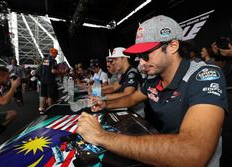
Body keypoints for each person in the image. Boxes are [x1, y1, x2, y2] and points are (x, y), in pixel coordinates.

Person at [77, 15, 227, 166]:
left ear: (173, 46)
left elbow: (192, 152)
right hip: (164, 153)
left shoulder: (205, 76)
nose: (141, 63)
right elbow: (132, 98)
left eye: (145, 54)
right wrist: (105, 104)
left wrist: (101, 136)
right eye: (138, 56)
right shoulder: (153, 78)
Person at [39, 48, 59, 114]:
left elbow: (43, 69)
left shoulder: (45, 60)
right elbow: (53, 71)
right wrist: (59, 72)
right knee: (50, 95)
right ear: (54, 53)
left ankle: (41, 109)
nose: (56, 56)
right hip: (50, 80)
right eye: (56, 54)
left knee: (43, 94)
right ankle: (51, 110)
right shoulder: (53, 61)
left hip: (43, 79)